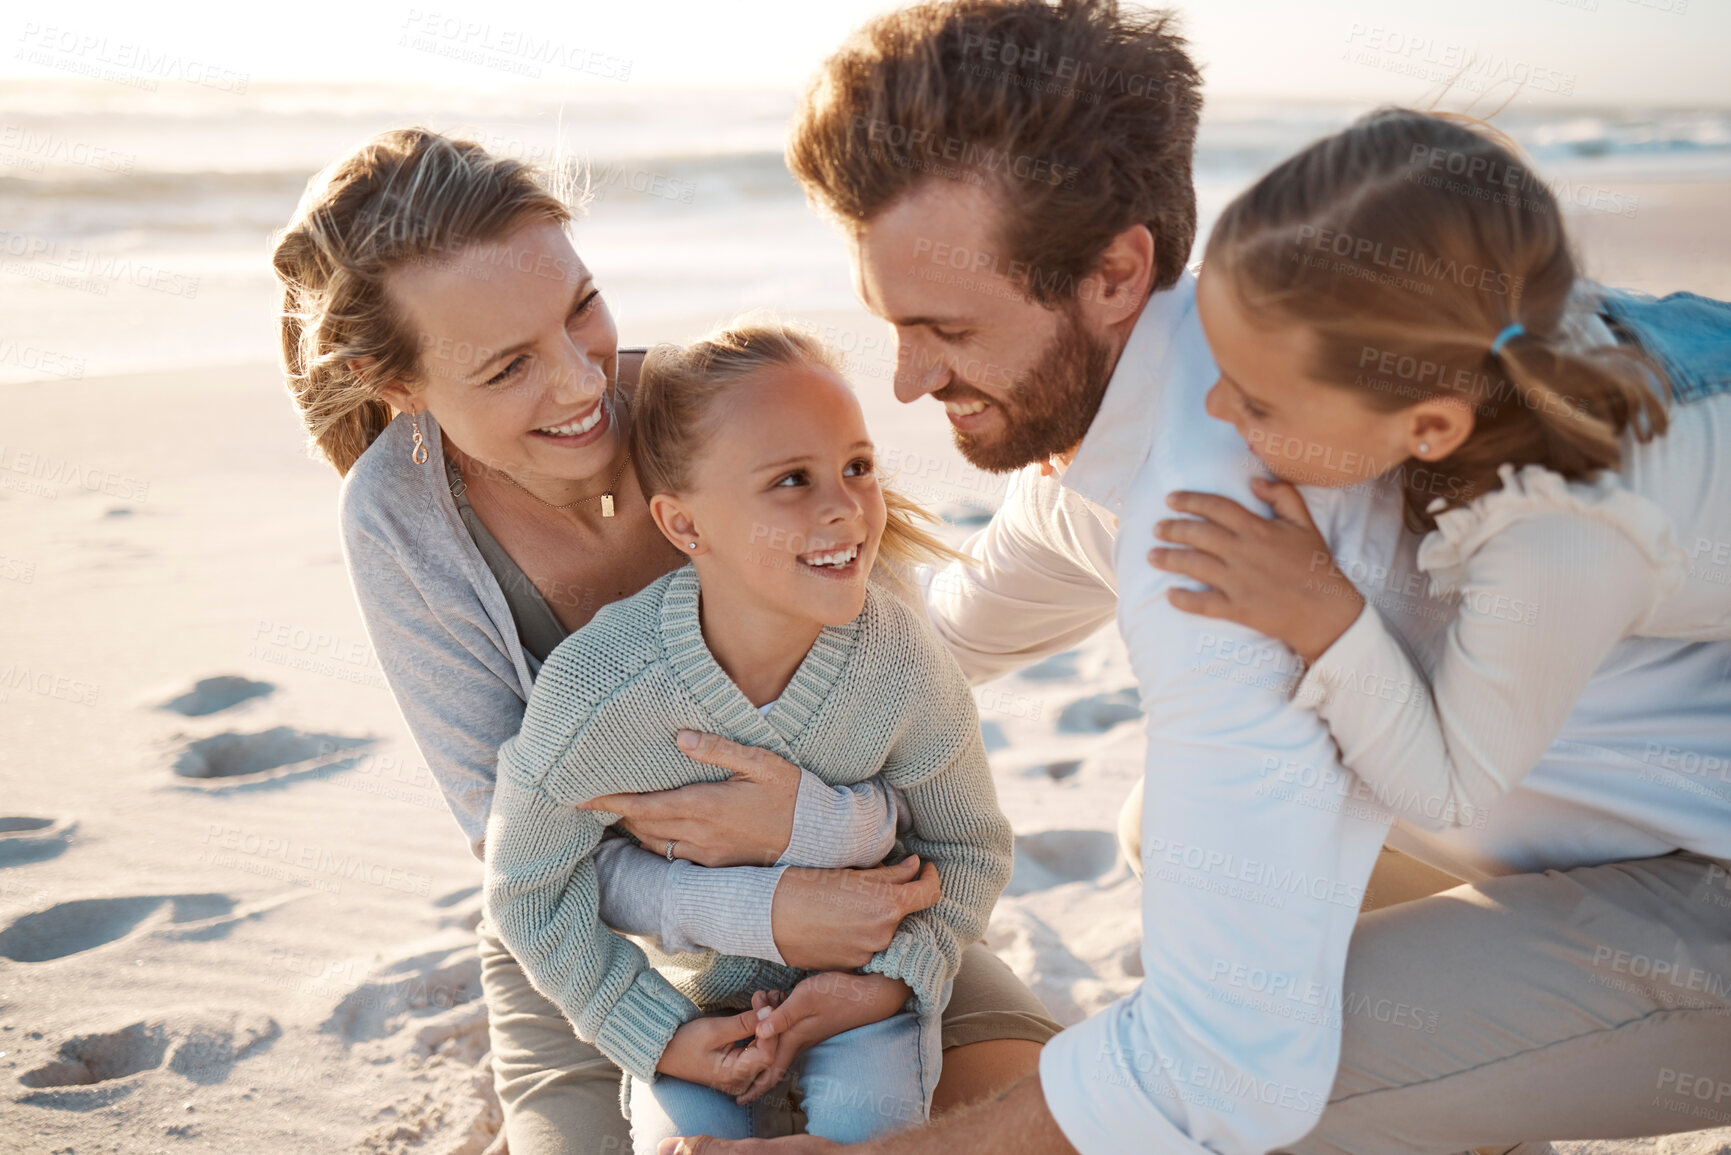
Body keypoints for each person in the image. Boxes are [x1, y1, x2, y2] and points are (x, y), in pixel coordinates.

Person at [660, 1, 1731, 1152]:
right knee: (1158, 834)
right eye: (894, 326)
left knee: (1296, 1089)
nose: (912, 382)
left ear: (1116, 274)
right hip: (1591, 794)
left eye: (949, 330)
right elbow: (948, 633)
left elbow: (1221, 1076)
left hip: (1697, 876)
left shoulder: (1228, 531)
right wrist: (776, 762)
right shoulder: (1206, 362)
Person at [271, 127, 1061, 1155]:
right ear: (400, 386)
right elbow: (517, 849)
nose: (576, 382)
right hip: (592, 946)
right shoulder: (401, 521)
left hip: (868, 918)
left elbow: (924, 761)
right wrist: (761, 910)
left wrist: (817, 840)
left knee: (1035, 1122)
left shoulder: (738, 424)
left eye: (580, 310)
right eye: (509, 366)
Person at [484, 318, 1015, 1152]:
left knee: (862, 1134)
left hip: (862, 991)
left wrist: (883, 985)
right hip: (695, 1002)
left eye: (856, 467)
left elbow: (970, 847)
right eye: (791, 480)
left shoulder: (900, 663)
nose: (844, 507)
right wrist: (654, 1031)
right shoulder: (600, 693)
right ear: (685, 525)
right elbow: (527, 887)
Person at [1147, 109, 1731, 868]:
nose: (1215, 409)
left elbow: (1452, 791)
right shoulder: (1483, 323)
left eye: (1256, 402)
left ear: (1430, 426)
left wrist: (1323, 612)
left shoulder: (1561, 529)